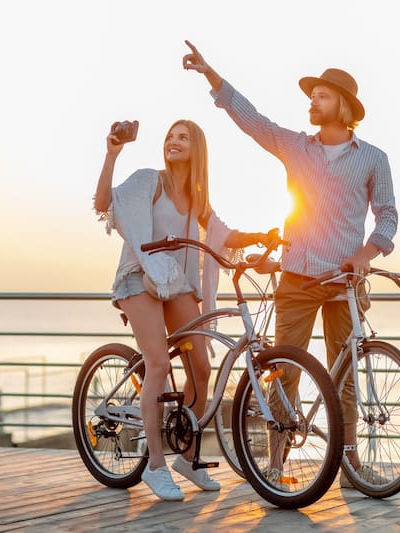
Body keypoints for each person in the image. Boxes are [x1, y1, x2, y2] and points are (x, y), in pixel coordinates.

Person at [182, 41, 398, 488]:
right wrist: (212, 76)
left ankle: (351, 467)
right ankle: (276, 466)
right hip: (297, 276)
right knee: (283, 373)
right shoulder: (296, 147)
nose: (312, 102)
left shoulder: (374, 158)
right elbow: (253, 121)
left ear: (343, 105)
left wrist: (365, 254)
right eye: (312, 95)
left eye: (320, 96)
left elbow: (388, 215)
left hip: (344, 281)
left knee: (347, 374)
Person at [94, 118, 270, 501]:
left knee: (201, 367)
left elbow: (224, 235)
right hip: (138, 279)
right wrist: (112, 154)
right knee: (158, 364)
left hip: (174, 283)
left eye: (183, 137)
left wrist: (261, 236)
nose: (173, 141)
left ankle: (188, 458)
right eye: (170, 136)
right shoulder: (149, 181)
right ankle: (155, 465)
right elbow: (103, 203)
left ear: (197, 150)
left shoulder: (197, 200)